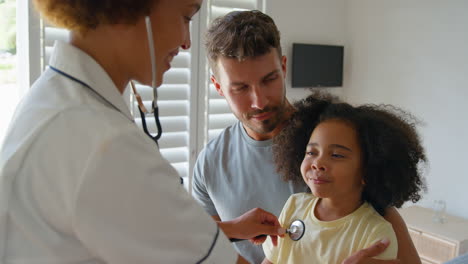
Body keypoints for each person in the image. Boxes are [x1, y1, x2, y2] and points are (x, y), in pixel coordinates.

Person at [0, 1, 284, 263]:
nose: (186, 42)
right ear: (132, 6)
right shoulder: (105, 140)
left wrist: (232, 228)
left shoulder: (50, 99)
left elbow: (154, 228)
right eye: (185, 17)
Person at [192, 10, 422, 264]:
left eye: (269, 80)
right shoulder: (209, 164)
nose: (259, 101)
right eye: (241, 88)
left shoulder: (334, 140)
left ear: (283, 67)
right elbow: (206, 247)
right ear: (218, 87)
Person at [262, 92, 426, 263]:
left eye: (337, 155)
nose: (317, 163)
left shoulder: (376, 233)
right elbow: (271, 260)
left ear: (367, 171)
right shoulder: (294, 205)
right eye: (311, 152)